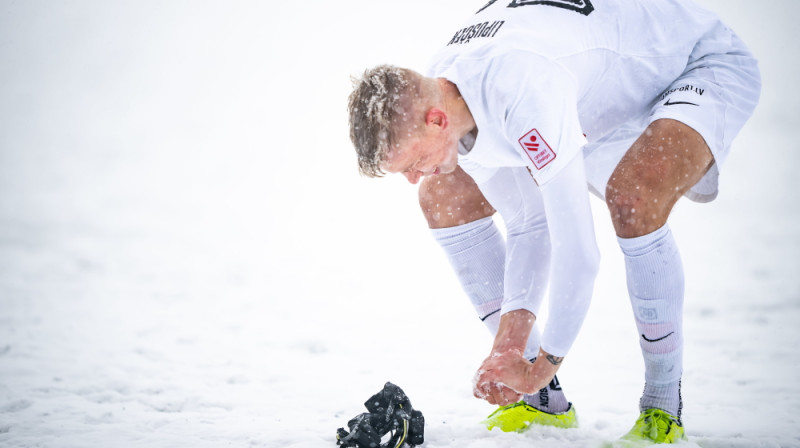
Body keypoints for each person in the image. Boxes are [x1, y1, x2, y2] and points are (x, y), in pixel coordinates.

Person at [346, 0, 760, 443]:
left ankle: (662, 409)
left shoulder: (521, 86)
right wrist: (510, 347)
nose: (411, 179)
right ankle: (546, 406)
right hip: (597, 96)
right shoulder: (449, 90)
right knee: (442, 191)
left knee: (633, 197)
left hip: (693, 64)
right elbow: (529, 223)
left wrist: (542, 366)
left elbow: (578, 253)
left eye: (414, 161)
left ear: (437, 120)